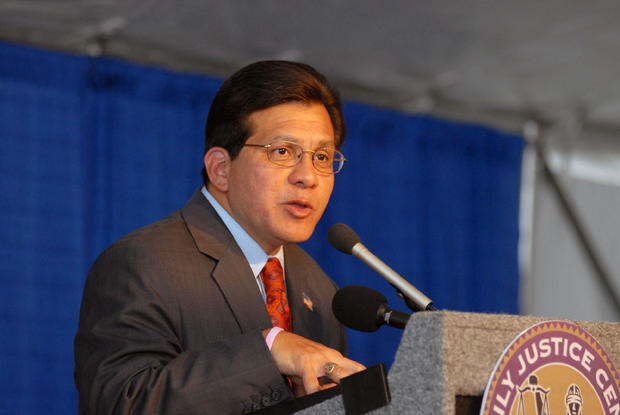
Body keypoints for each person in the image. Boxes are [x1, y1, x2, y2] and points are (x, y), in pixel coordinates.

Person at [74, 60, 365, 414]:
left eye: (322, 156)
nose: (308, 176)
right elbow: (122, 402)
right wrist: (267, 351)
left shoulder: (319, 289)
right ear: (221, 169)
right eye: (283, 152)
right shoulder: (143, 264)